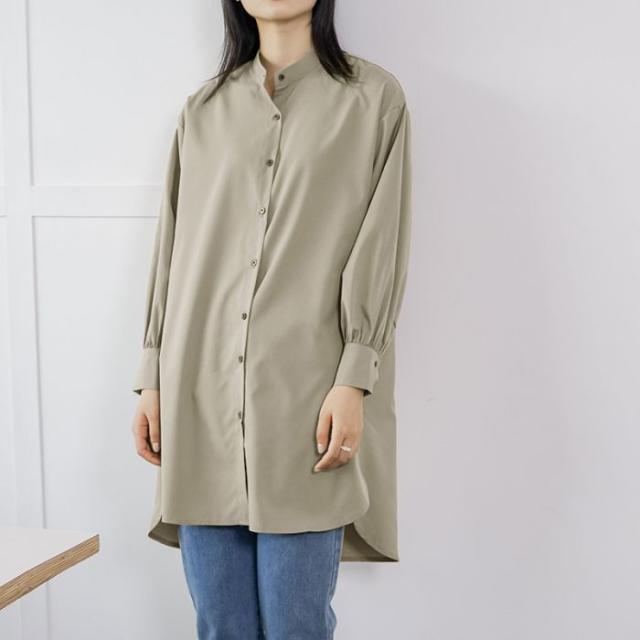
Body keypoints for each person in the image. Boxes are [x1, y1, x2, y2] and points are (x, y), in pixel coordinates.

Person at [130, 0, 413, 637]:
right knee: (220, 624)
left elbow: (382, 244)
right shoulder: (203, 111)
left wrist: (354, 377)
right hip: (199, 393)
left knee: (296, 625)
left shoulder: (373, 100)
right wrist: (152, 375)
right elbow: (174, 248)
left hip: (308, 399)